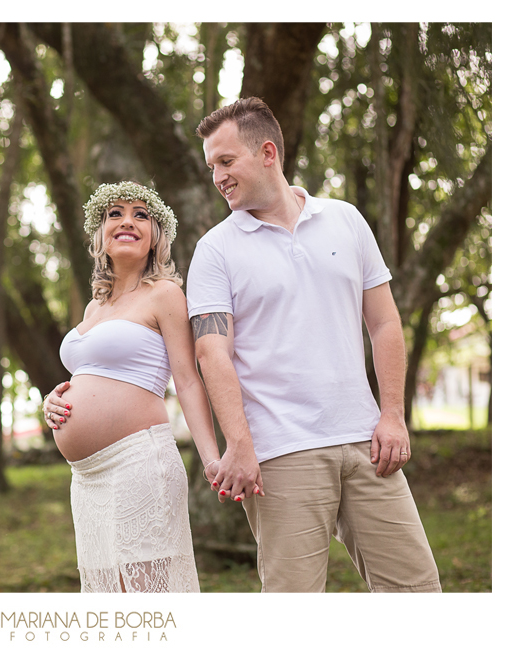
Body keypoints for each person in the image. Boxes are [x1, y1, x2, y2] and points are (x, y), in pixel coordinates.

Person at [187, 96, 441, 592]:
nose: (217, 176)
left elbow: (385, 323)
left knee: (418, 593)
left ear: (267, 152)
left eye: (225, 161)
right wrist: (238, 445)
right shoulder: (216, 249)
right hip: (282, 455)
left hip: (367, 444)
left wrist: (392, 414)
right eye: (211, 166)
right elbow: (211, 352)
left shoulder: (345, 220)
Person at [41, 181, 222, 593]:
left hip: (138, 462)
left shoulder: (164, 294)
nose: (127, 221)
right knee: (107, 597)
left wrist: (211, 459)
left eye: (141, 214)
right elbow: (93, 375)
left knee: (146, 599)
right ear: (100, 233)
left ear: (156, 236)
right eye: (115, 213)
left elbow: (189, 381)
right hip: (86, 477)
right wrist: (54, 400)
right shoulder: (94, 306)